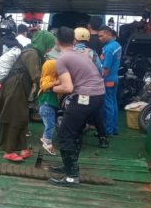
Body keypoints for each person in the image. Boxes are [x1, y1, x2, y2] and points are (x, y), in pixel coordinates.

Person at [49, 27, 106, 187]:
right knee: (75, 132)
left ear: (57, 41)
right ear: (73, 41)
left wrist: (50, 88)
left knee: (64, 134)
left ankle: (72, 177)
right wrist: (56, 82)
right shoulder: (80, 54)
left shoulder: (62, 59)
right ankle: (69, 167)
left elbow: (67, 88)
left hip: (85, 97)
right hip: (98, 95)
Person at [0, 30, 55, 162]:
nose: (50, 49)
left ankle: (23, 148)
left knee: (21, 118)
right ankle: (8, 150)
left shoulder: (34, 52)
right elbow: (36, 76)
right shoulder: (32, 54)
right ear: (44, 43)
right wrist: (53, 85)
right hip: (15, 87)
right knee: (13, 118)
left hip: (20, 87)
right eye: (49, 45)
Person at [73, 27, 109, 148]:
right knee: (96, 112)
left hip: (80, 90)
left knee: (78, 112)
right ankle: (103, 138)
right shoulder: (93, 54)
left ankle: (77, 137)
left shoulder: (70, 53)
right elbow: (100, 70)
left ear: (74, 39)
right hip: (97, 91)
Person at [37, 45, 61, 155]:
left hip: (49, 105)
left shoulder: (53, 77)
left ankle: (47, 140)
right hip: (47, 105)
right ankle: (47, 141)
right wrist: (55, 83)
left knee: (51, 123)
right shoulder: (48, 78)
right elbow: (44, 85)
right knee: (50, 124)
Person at [98, 26, 122, 136]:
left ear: (108, 34)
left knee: (107, 105)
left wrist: (98, 79)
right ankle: (114, 128)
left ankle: (107, 131)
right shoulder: (117, 45)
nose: (100, 38)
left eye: (102, 35)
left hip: (107, 80)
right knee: (113, 103)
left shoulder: (108, 49)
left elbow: (105, 69)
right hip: (114, 78)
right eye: (99, 36)